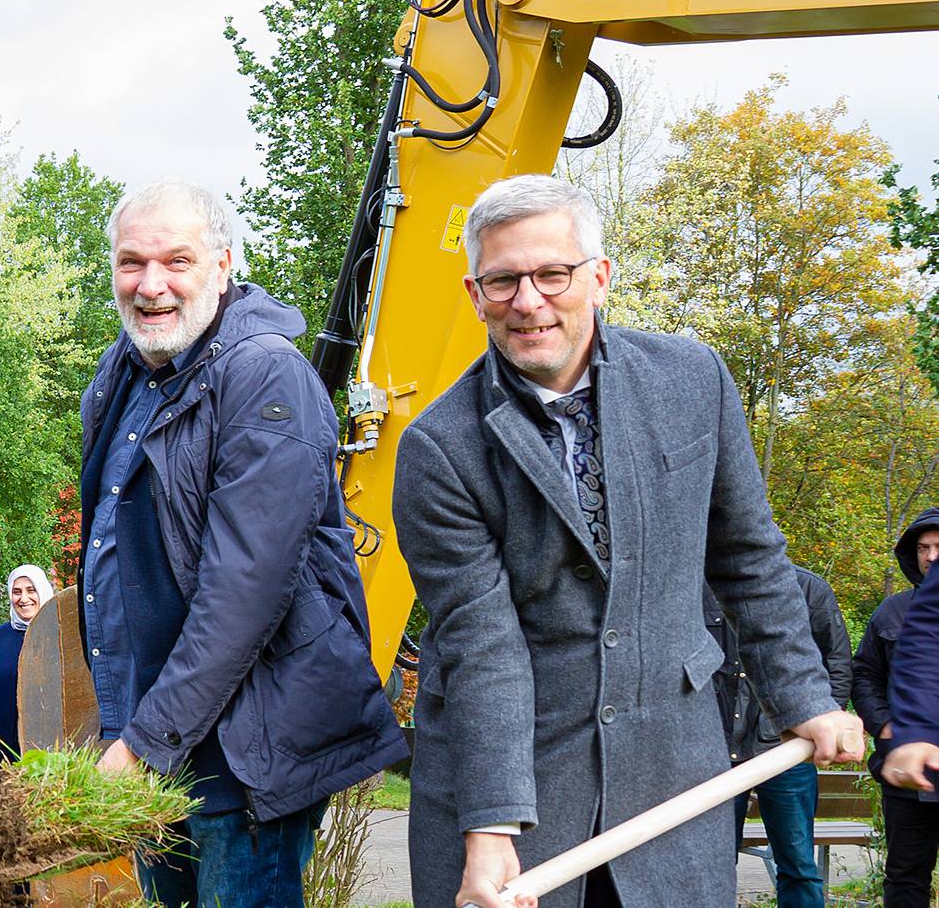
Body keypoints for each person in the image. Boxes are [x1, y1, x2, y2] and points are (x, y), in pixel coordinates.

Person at [398, 174, 859, 908]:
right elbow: (481, 642)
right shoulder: (439, 448)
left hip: (673, 773)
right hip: (523, 782)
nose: (528, 301)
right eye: (503, 280)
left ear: (600, 277)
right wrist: (492, 821)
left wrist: (804, 694)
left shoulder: (692, 380)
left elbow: (748, 558)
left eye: (553, 274)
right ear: (474, 293)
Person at [74, 181, 405, 907]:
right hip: (159, 743)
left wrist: (143, 742)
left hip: (245, 756)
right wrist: (128, 729)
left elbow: (245, 592)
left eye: (177, 261)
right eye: (131, 262)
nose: (151, 285)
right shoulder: (121, 372)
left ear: (223, 265)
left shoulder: (264, 374)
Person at [712, 566, 849, 908]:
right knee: (711, 865)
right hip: (714, 749)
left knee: (798, 864)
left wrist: (817, 729)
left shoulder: (810, 589)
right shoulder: (700, 583)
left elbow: (837, 661)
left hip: (786, 750)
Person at [856, 507, 939, 907]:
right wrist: (885, 726)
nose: (931, 556)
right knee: (905, 876)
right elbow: (864, 675)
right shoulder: (892, 612)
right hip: (907, 775)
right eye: (923, 548)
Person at [0, 564, 55, 788]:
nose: (24, 598)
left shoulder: (62, 634)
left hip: (49, 746)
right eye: (17, 592)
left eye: (31, 590)